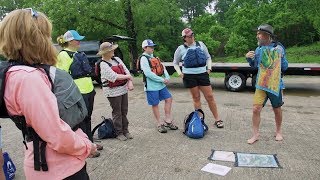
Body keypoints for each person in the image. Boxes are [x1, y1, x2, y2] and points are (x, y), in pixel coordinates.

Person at [0, 9, 96, 179]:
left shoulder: (14, 73)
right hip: (60, 169)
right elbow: (56, 134)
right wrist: (87, 146)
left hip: (41, 163)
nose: (49, 40)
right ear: (35, 39)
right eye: (46, 35)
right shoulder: (28, 78)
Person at [56, 30, 103, 156]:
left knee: (87, 118)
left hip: (88, 90)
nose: (79, 41)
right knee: (80, 120)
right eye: (77, 39)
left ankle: (90, 142)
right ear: (70, 41)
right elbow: (63, 77)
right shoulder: (63, 56)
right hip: (77, 93)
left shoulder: (78, 53)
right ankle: (85, 148)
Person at [245, 24, 288, 144]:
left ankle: (279, 131)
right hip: (261, 84)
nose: (257, 36)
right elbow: (255, 65)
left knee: (277, 108)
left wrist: (281, 57)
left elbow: (285, 67)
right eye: (257, 33)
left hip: (275, 85)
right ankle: (255, 135)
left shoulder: (279, 47)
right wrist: (249, 58)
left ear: (267, 35)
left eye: (259, 34)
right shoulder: (258, 49)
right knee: (255, 109)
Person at [173, 28, 223, 128]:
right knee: (196, 98)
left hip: (202, 74)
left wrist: (209, 68)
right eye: (189, 36)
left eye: (192, 35)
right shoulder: (180, 49)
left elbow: (208, 57)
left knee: (210, 97)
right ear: (184, 38)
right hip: (189, 76)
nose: (191, 37)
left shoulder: (201, 44)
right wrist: (180, 73)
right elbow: (175, 63)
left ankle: (217, 119)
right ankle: (200, 120)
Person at [97, 42, 134, 141]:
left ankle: (126, 130)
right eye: (111, 50)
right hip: (112, 92)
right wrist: (128, 77)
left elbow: (126, 71)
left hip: (123, 89)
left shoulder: (117, 59)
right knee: (117, 112)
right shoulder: (103, 64)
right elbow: (114, 77)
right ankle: (119, 132)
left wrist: (129, 81)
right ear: (105, 53)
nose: (113, 51)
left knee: (124, 111)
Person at [140, 39, 178, 133]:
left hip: (160, 85)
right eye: (150, 47)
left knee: (169, 99)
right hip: (151, 86)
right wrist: (162, 79)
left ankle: (168, 120)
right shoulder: (143, 59)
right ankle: (159, 123)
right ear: (145, 48)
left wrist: (167, 77)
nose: (153, 48)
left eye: (153, 46)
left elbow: (162, 67)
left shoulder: (154, 57)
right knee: (155, 104)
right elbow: (148, 74)